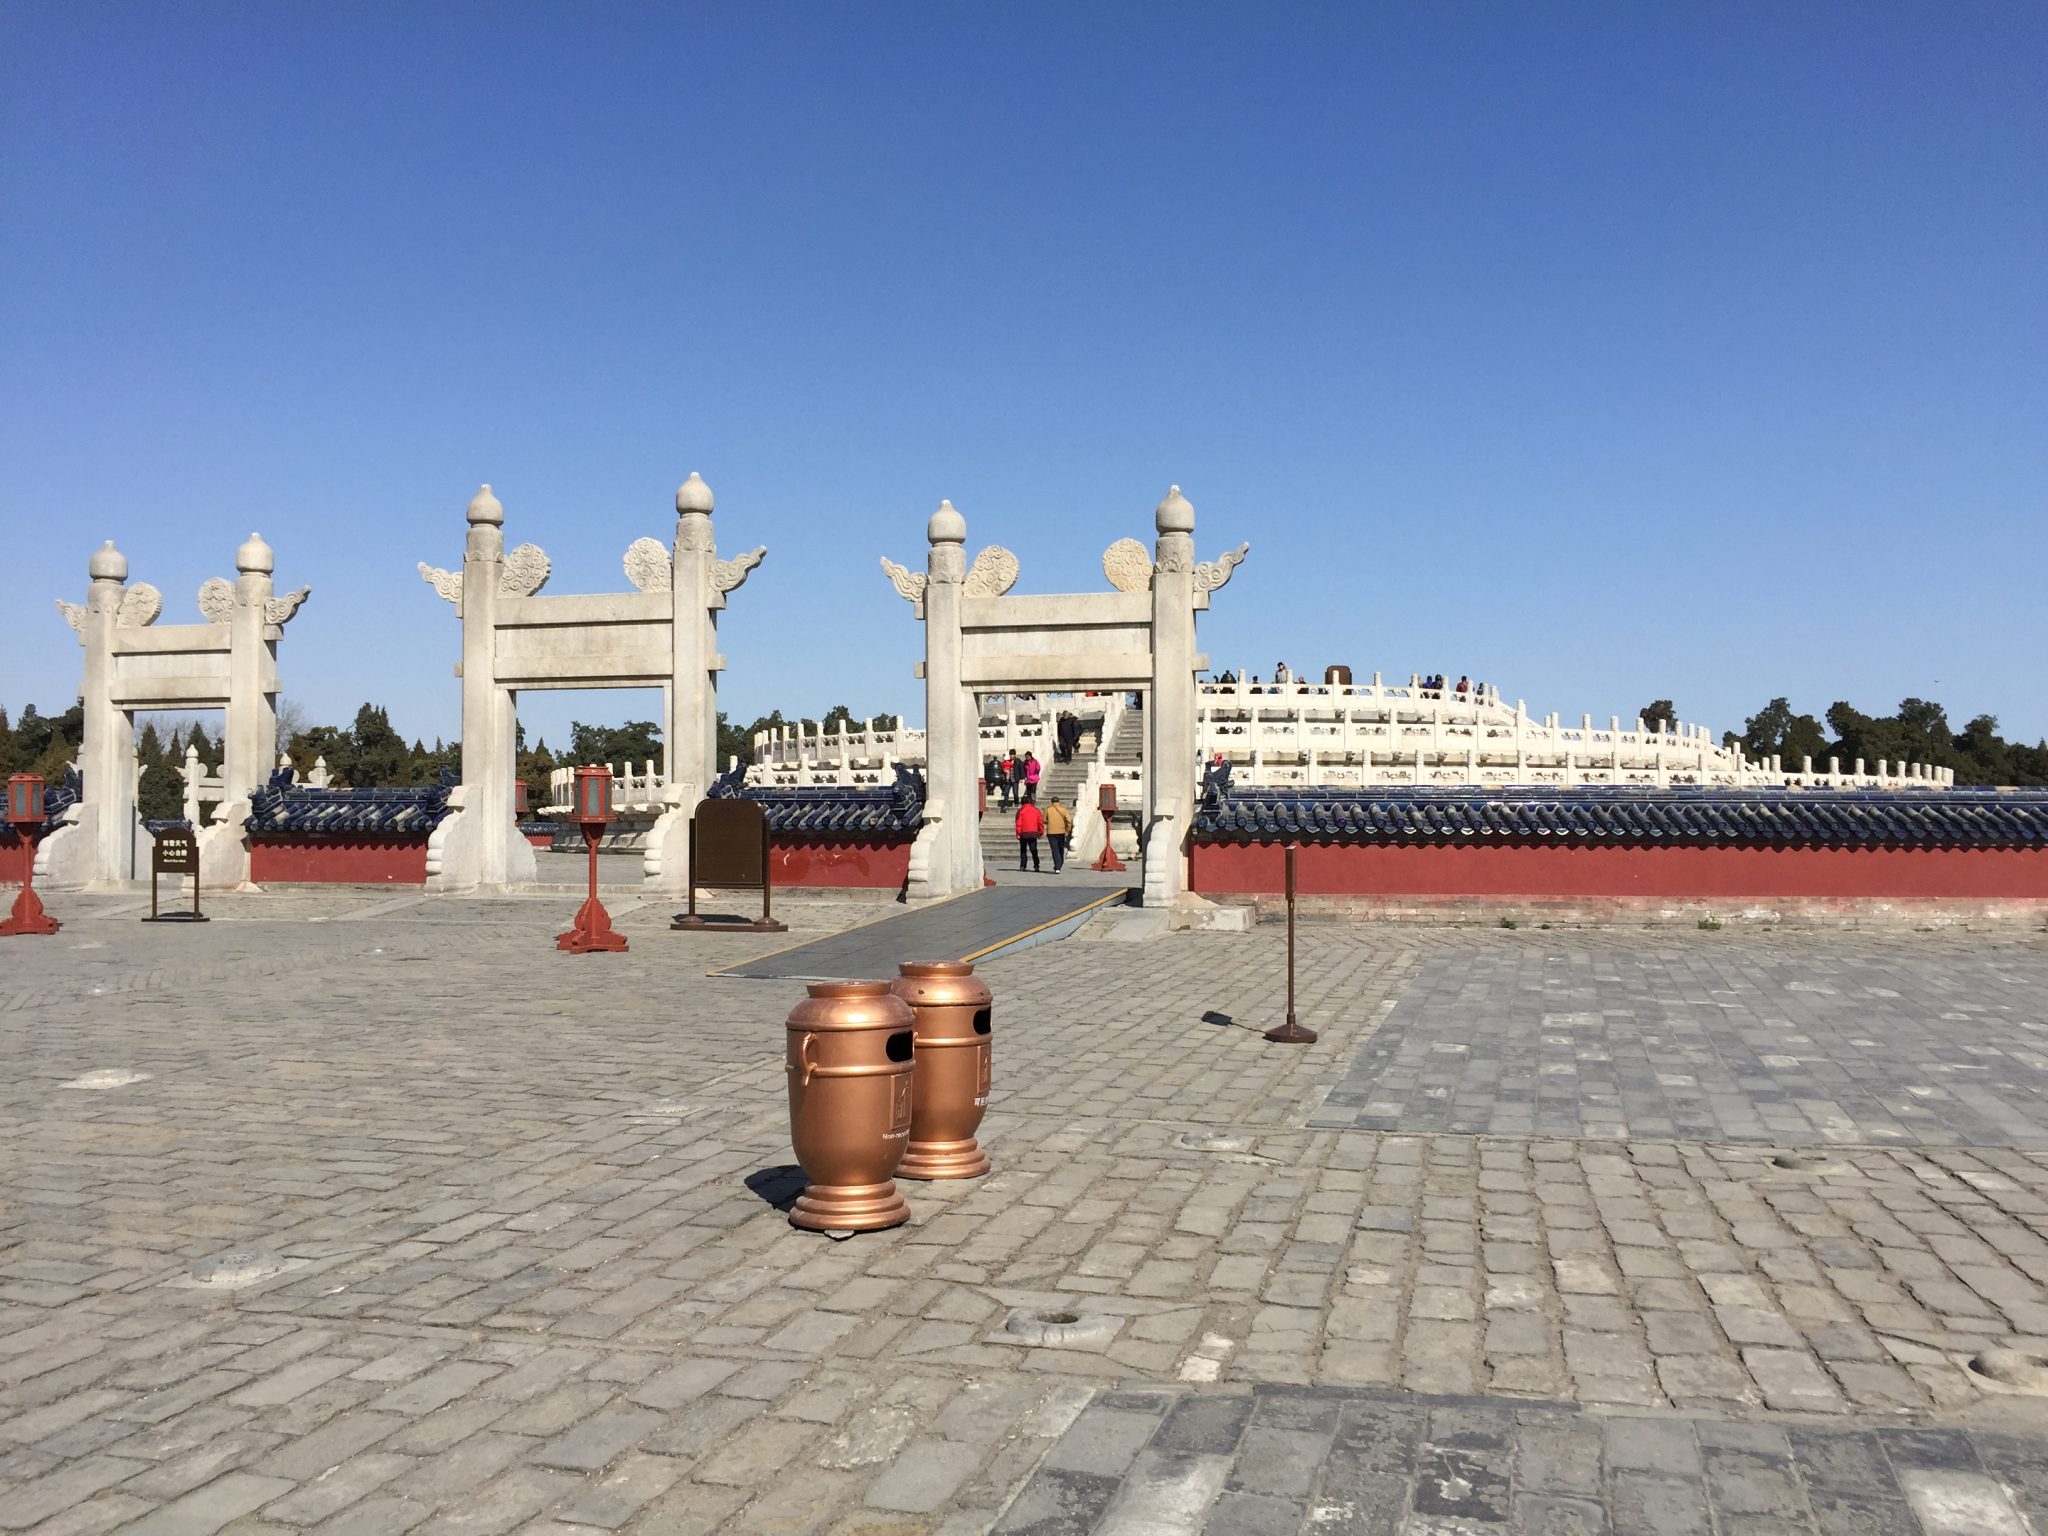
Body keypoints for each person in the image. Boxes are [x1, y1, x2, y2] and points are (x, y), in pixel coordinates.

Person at [1044, 795, 1072, 873]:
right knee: (1060, 849)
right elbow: (1069, 820)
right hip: (1061, 831)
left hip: (1051, 832)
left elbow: (1044, 819)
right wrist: (1067, 830)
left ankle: (1057, 866)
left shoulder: (1048, 809)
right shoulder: (1063, 810)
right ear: (1058, 802)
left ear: (1052, 802)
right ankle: (1060, 863)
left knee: (1055, 849)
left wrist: (1050, 822)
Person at [1015, 798, 1044, 872]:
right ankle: (1036, 865)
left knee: (1023, 850)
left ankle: (1023, 865)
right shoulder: (1036, 810)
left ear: (1022, 803)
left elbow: (1018, 823)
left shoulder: (1020, 811)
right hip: (1033, 832)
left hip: (1023, 833)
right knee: (1034, 850)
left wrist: (1018, 833)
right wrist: (1041, 832)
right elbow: (1040, 822)